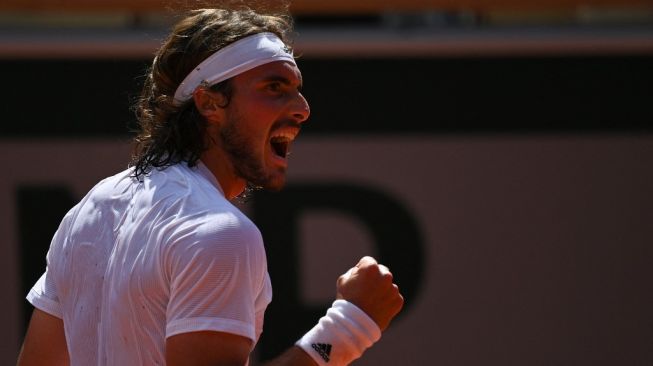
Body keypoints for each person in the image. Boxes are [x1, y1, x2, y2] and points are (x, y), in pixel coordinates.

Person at [17, 6, 403, 366]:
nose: (303, 108)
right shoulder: (219, 233)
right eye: (274, 87)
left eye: (297, 88)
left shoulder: (91, 208)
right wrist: (349, 327)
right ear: (209, 103)